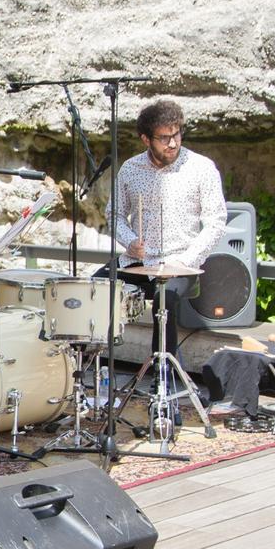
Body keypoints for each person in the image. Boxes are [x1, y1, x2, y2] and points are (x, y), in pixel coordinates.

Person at [99, 99, 226, 361]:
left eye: (176, 134)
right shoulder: (131, 169)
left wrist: (186, 261)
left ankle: (163, 376)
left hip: (179, 262)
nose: (173, 143)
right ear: (146, 139)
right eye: (164, 138)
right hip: (139, 260)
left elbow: (216, 221)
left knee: (163, 301)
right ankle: (96, 364)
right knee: (96, 288)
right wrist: (130, 241)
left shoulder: (201, 168)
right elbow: (115, 214)